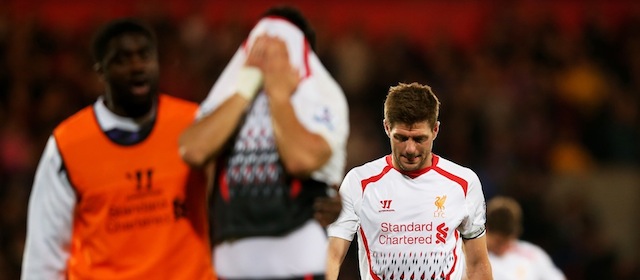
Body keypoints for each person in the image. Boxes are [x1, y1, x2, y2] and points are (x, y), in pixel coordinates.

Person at [20, 19, 215, 279]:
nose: (137, 67)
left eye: (145, 56)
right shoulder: (68, 144)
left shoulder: (194, 124)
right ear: (101, 71)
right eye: (122, 59)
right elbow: (45, 251)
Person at [178, 5, 349, 280]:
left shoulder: (324, 98)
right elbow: (193, 150)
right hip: (230, 261)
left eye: (281, 43)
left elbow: (301, 160)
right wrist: (244, 90)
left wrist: (279, 98)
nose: (268, 53)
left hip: (296, 257)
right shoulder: (231, 95)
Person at [326, 82, 493, 280]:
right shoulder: (359, 182)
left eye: (419, 139)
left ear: (436, 130)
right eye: (401, 138)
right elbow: (332, 256)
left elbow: (477, 264)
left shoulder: (464, 183)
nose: (410, 149)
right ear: (387, 128)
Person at [485, 196, 566, 280]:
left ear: (516, 234)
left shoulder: (533, 255)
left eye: (507, 241)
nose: (502, 247)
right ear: (486, 231)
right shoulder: (474, 258)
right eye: (498, 241)